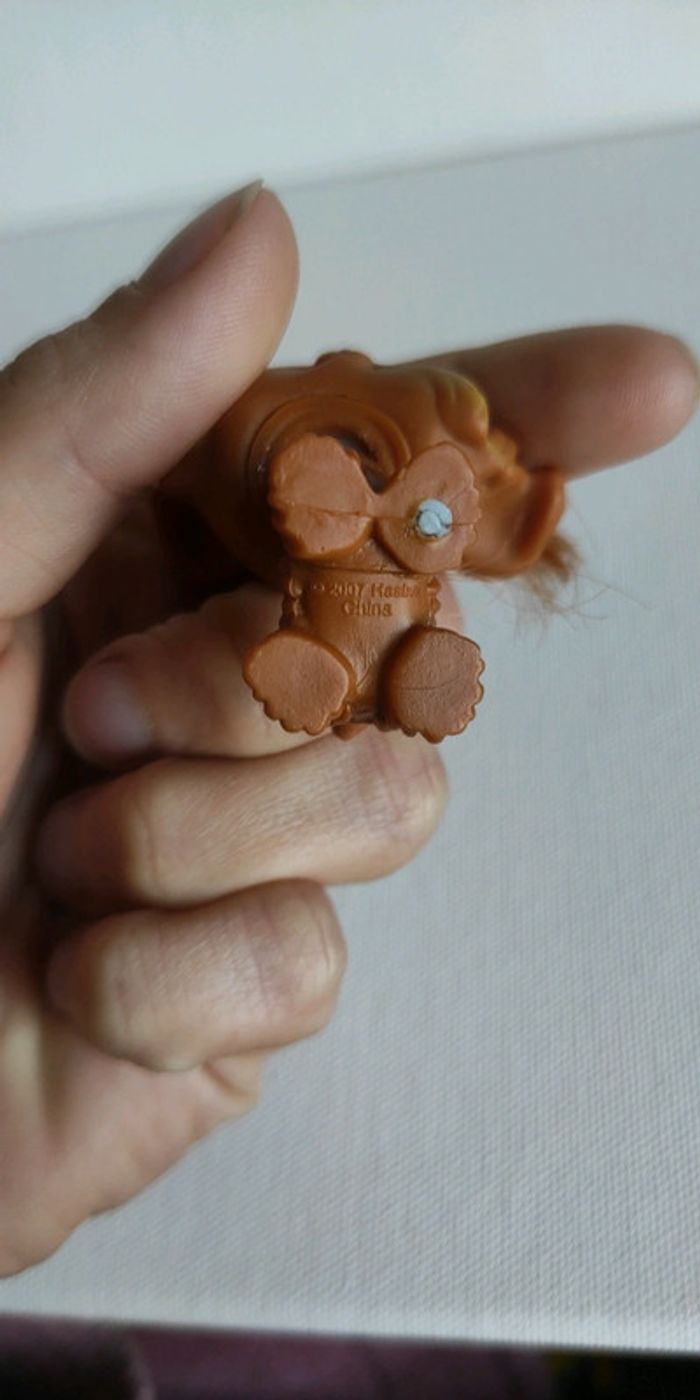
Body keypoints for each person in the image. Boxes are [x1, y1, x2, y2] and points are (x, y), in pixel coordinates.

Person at [0, 183, 697, 1278]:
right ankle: (344, 672)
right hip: (305, 635)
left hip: (377, 623)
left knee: (367, 701)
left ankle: (389, 671)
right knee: (314, 690)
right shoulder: (242, 449)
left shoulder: (414, 472)